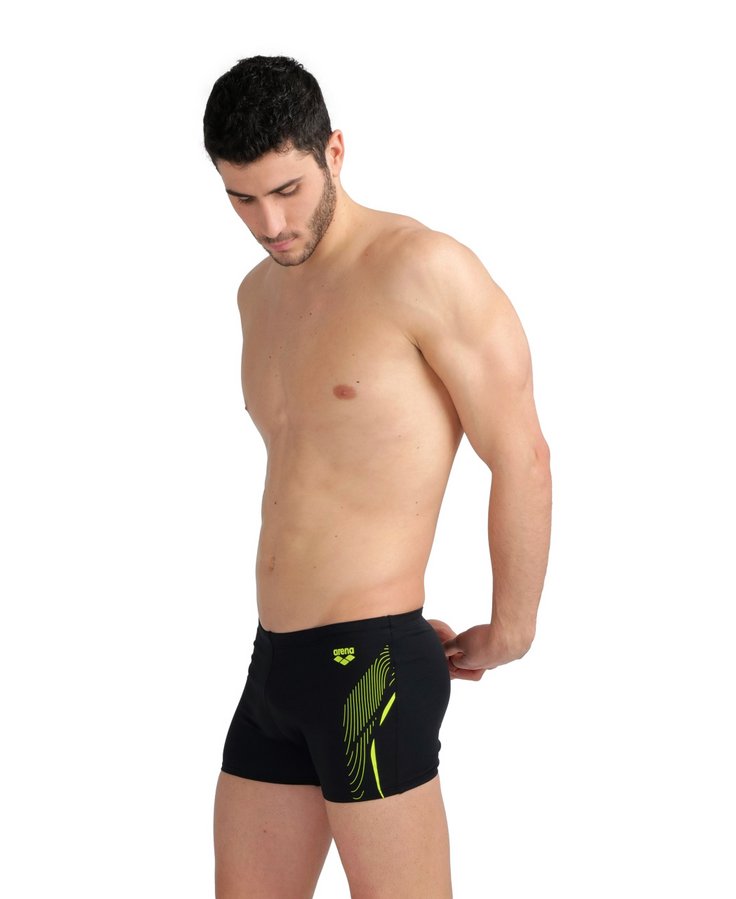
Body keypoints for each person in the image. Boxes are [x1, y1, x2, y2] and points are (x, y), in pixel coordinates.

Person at [203, 55, 551, 899]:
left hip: (371, 666)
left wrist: (512, 626)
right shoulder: (258, 295)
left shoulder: (420, 268)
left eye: (287, 189)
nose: (269, 222)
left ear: (335, 150)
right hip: (273, 664)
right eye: (242, 199)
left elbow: (521, 454)